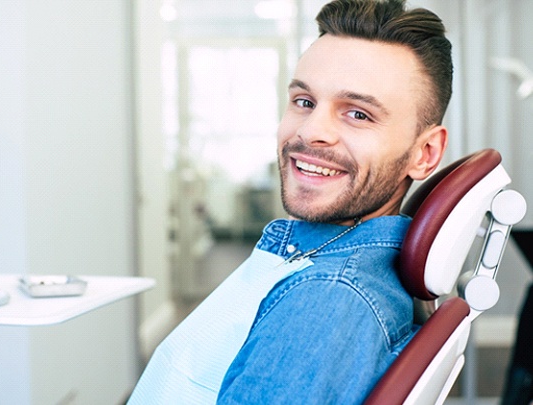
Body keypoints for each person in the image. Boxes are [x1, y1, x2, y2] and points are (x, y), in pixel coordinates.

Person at [128, 0, 452, 403]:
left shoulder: (327, 299)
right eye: (304, 101)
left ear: (425, 154)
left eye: (358, 114)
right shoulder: (322, 265)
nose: (312, 131)